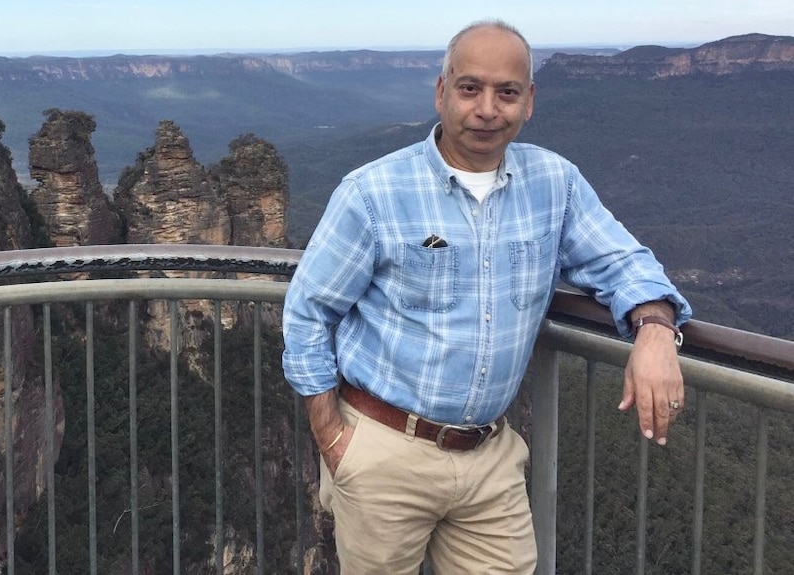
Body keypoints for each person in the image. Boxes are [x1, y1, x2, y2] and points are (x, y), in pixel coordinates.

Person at [282, 18, 692, 575]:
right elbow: (309, 311)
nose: (487, 109)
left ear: (529, 102)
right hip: (382, 452)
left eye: (507, 92)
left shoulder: (556, 183)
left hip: (491, 457)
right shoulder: (372, 192)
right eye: (470, 88)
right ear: (441, 92)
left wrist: (655, 329)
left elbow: (623, 262)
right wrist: (333, 438)